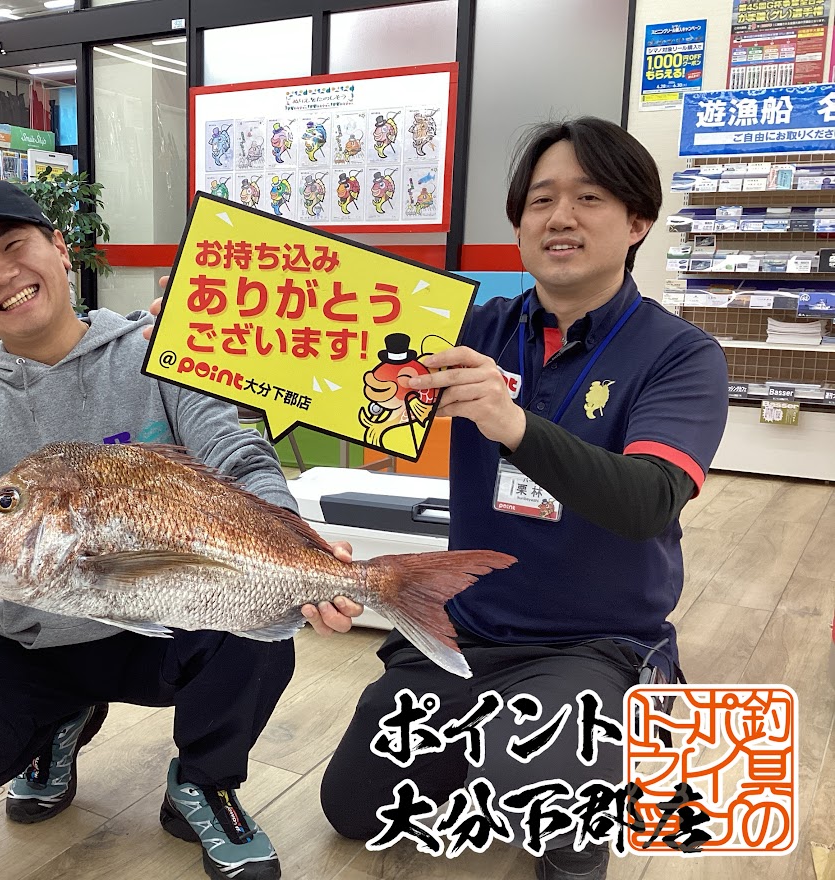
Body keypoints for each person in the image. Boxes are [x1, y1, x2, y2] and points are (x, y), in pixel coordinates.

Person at [0, 179, 347, 880]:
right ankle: (56, 726)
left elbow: (234, 452)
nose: (2, 275)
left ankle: (203, 782)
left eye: (15, 246)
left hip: (170, 624)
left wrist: (294, 540)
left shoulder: (157, 350)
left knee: (260, 620)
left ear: (60, 248)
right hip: (34, 641)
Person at [314, 118, 729, 879]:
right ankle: (498, 755)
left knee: (548, 798)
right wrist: (201, 327)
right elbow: (316, 350)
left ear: (637, 221)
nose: (559, 217)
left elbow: (650, 500)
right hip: (465, 631)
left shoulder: (680, 355)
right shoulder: (469, 330)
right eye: (540, 200)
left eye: (589, 197)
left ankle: (590, 766)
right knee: (354, 808)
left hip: (596, 642)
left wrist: (512, 425)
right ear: (518, 224)